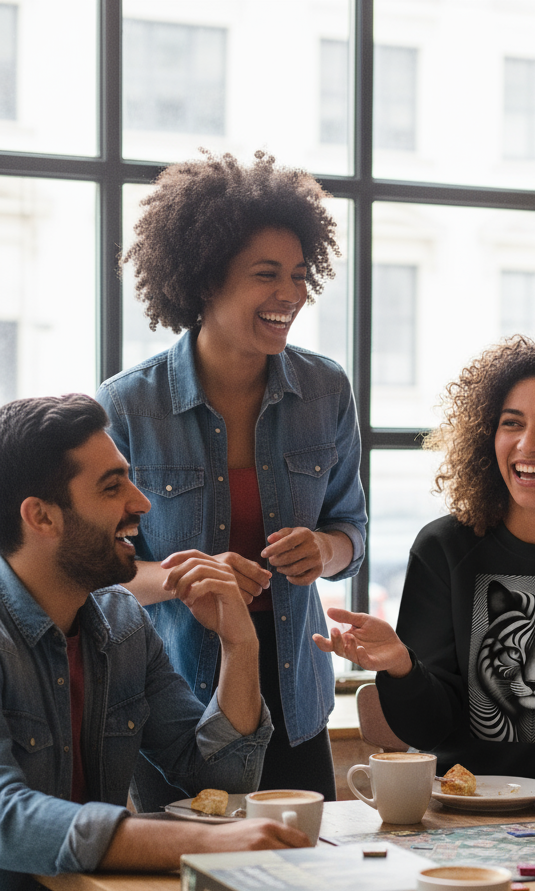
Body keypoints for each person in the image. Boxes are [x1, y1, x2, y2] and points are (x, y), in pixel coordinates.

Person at [0, 394, 310, 891]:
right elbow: (10, 820)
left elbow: (219, 778)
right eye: (113, 486)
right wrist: (203, 847)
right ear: (42, 516)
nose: (141, 503)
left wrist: (239, 643)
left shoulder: (121, 625)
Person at [98, 151, 366, 808]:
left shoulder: (325, 389)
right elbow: (104, 574)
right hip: (177, 704)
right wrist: (190, 578)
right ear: (207, 280)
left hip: (296, 698)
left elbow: (350, 527)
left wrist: (322, 551)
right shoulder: (128, 405)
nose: (292, 294)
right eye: (266, 275)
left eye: (301, 275)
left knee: (306, 880)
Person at [315, 338, 535, 794]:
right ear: (489, 435)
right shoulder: (442, 547)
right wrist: (401, 667)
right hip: (462, 806)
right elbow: (427, 728)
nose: (528, 444)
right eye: (512, 423)